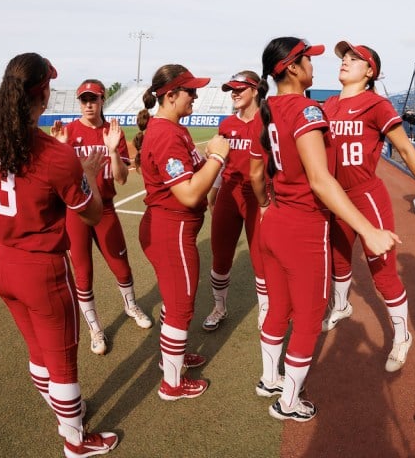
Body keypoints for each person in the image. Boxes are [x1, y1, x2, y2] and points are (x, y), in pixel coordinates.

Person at [0, 53, 118, 457]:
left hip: (3, 262)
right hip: (42, 268)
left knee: (38, 354)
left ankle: (64, 414)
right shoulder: (56, 155)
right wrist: (86, 171)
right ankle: (75, 440)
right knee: (63, 362)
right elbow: (92, 212)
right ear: (43, 95)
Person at [250, 36, 399, 422]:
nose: (314, 66)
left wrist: (266, 204)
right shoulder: (307, 110)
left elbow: (255, 172)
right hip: (303, 226)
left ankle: (269, 379)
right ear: (293, 68)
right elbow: (320, 180)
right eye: (308, 60)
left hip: (275, 220)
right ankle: (289, 402)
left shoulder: (267, 108)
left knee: (279, 308)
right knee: (309, 317)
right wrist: (368, 230)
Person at [321, 40, 415, 373]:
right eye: (344, 58)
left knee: (383, 274)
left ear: (369, 71)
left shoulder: (377, 104)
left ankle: (402, 336)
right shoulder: (328, 104)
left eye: (353, 59)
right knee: (339, 259)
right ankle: (342, 306)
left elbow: (404, 149)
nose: (345, 62)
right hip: (336, 197)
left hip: (366, 196)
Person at [133, 64, 230, 401]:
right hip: (171, 230)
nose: (196, 96)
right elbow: (189, 193)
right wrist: (217, 157)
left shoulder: (174, 129)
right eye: (190, 91)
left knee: (176, 301)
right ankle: (172, 384)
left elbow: (194, 176)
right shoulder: (166, 134)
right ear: (170, 95)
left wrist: (209, 161)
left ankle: (170, 358)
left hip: (169, 228)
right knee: (181, 307)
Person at [50, 80, 153, 356]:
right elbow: (57, 178)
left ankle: (130, 305)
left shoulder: (113, 132)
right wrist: (60, 150)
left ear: (102, 100)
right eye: (83, 100)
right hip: (77, 212)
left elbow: (120, 178)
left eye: (92, 99)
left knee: (121, 264)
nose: (87, 105)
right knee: (83, 274)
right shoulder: (68, 132)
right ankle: (95, 328)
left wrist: (111, 151)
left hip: (105, 207)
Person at [203, 71, 268, 331]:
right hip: (230, 192)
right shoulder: (227, 124)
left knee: (262, 260)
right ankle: (219, 307)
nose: (234, 93)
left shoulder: (267, 122)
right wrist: (214, 190)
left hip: (258, 194)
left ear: (255, 90)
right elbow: (223, 163)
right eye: (232, 89)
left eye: (240, 88)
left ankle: (266, 314)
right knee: (220, 256)